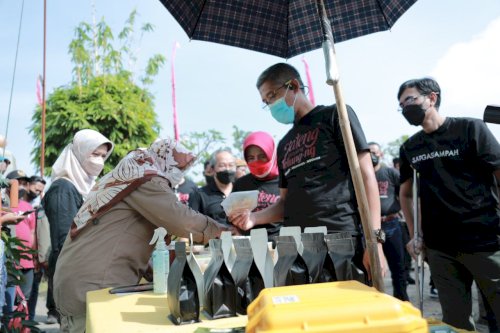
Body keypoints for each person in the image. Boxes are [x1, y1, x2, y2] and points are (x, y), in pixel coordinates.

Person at [53, 137, 231, 332]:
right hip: (95, 284)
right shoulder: (144, 179)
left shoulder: (128, 175)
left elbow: (125, 235)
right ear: (163, 160)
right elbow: (182, 220)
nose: (178, 174)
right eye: (176, 166)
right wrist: (222, 230)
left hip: (80, 279)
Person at [231, 63, 386, 281]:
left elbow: (367, 177)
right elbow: (284, 203)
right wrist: (254, 218)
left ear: (293, 85)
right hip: (296, 245)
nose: (271, 105)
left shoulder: (336, 115)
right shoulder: (284, 144)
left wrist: (375, 241)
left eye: (272, 96)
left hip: (340, 240)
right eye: (266, 102)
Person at [397, 77, 500, 331]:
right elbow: (406, 194)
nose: (405, 108)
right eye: (401, 105)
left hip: (485, 240)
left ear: (432, 98)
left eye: (410, 100)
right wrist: (414, 234)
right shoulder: (410, 147)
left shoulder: (470, 129)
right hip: (440, 249)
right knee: (455, 322)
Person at [42, 128, 114, 324]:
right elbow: (65, 240)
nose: (99, 160)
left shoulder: (86, 187)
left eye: (103, 156)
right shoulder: (63, 189)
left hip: (86, 272)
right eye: (94, 154)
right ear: (79, 153)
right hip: (75, 277)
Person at [368, 142, 408, 301]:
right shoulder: (364, 175)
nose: (372, 156)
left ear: (381, 154)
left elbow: (405, 195)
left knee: (398, 266)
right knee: (374, 267)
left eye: (375, 153)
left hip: (391, 225)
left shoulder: (391, 173)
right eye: (369, 152)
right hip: (373, 229)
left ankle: (402, 300)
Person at [233, 131, 282, 238]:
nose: (256, 161)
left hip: (280, 244)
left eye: (262, 156)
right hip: (248, 245)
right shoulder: (241, 184)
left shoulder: (285, 180)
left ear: (272, 155)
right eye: (251, 158)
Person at [3, 170, 36, 317]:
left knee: (25, 299)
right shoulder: (4, 203)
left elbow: (32, 232)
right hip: (9, 260)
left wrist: (33, 255)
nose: (21, 186)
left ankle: (24, 326)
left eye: (24, 183)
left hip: (27, 261)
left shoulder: (28, 206)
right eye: (18, 183)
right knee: (9, 301)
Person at [189, 148, 236, 226]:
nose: (227, 169)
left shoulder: (242, 190)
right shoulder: (199, 195)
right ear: (213, 169)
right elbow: (191, 226)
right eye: (222, 165)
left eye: (231, 165)